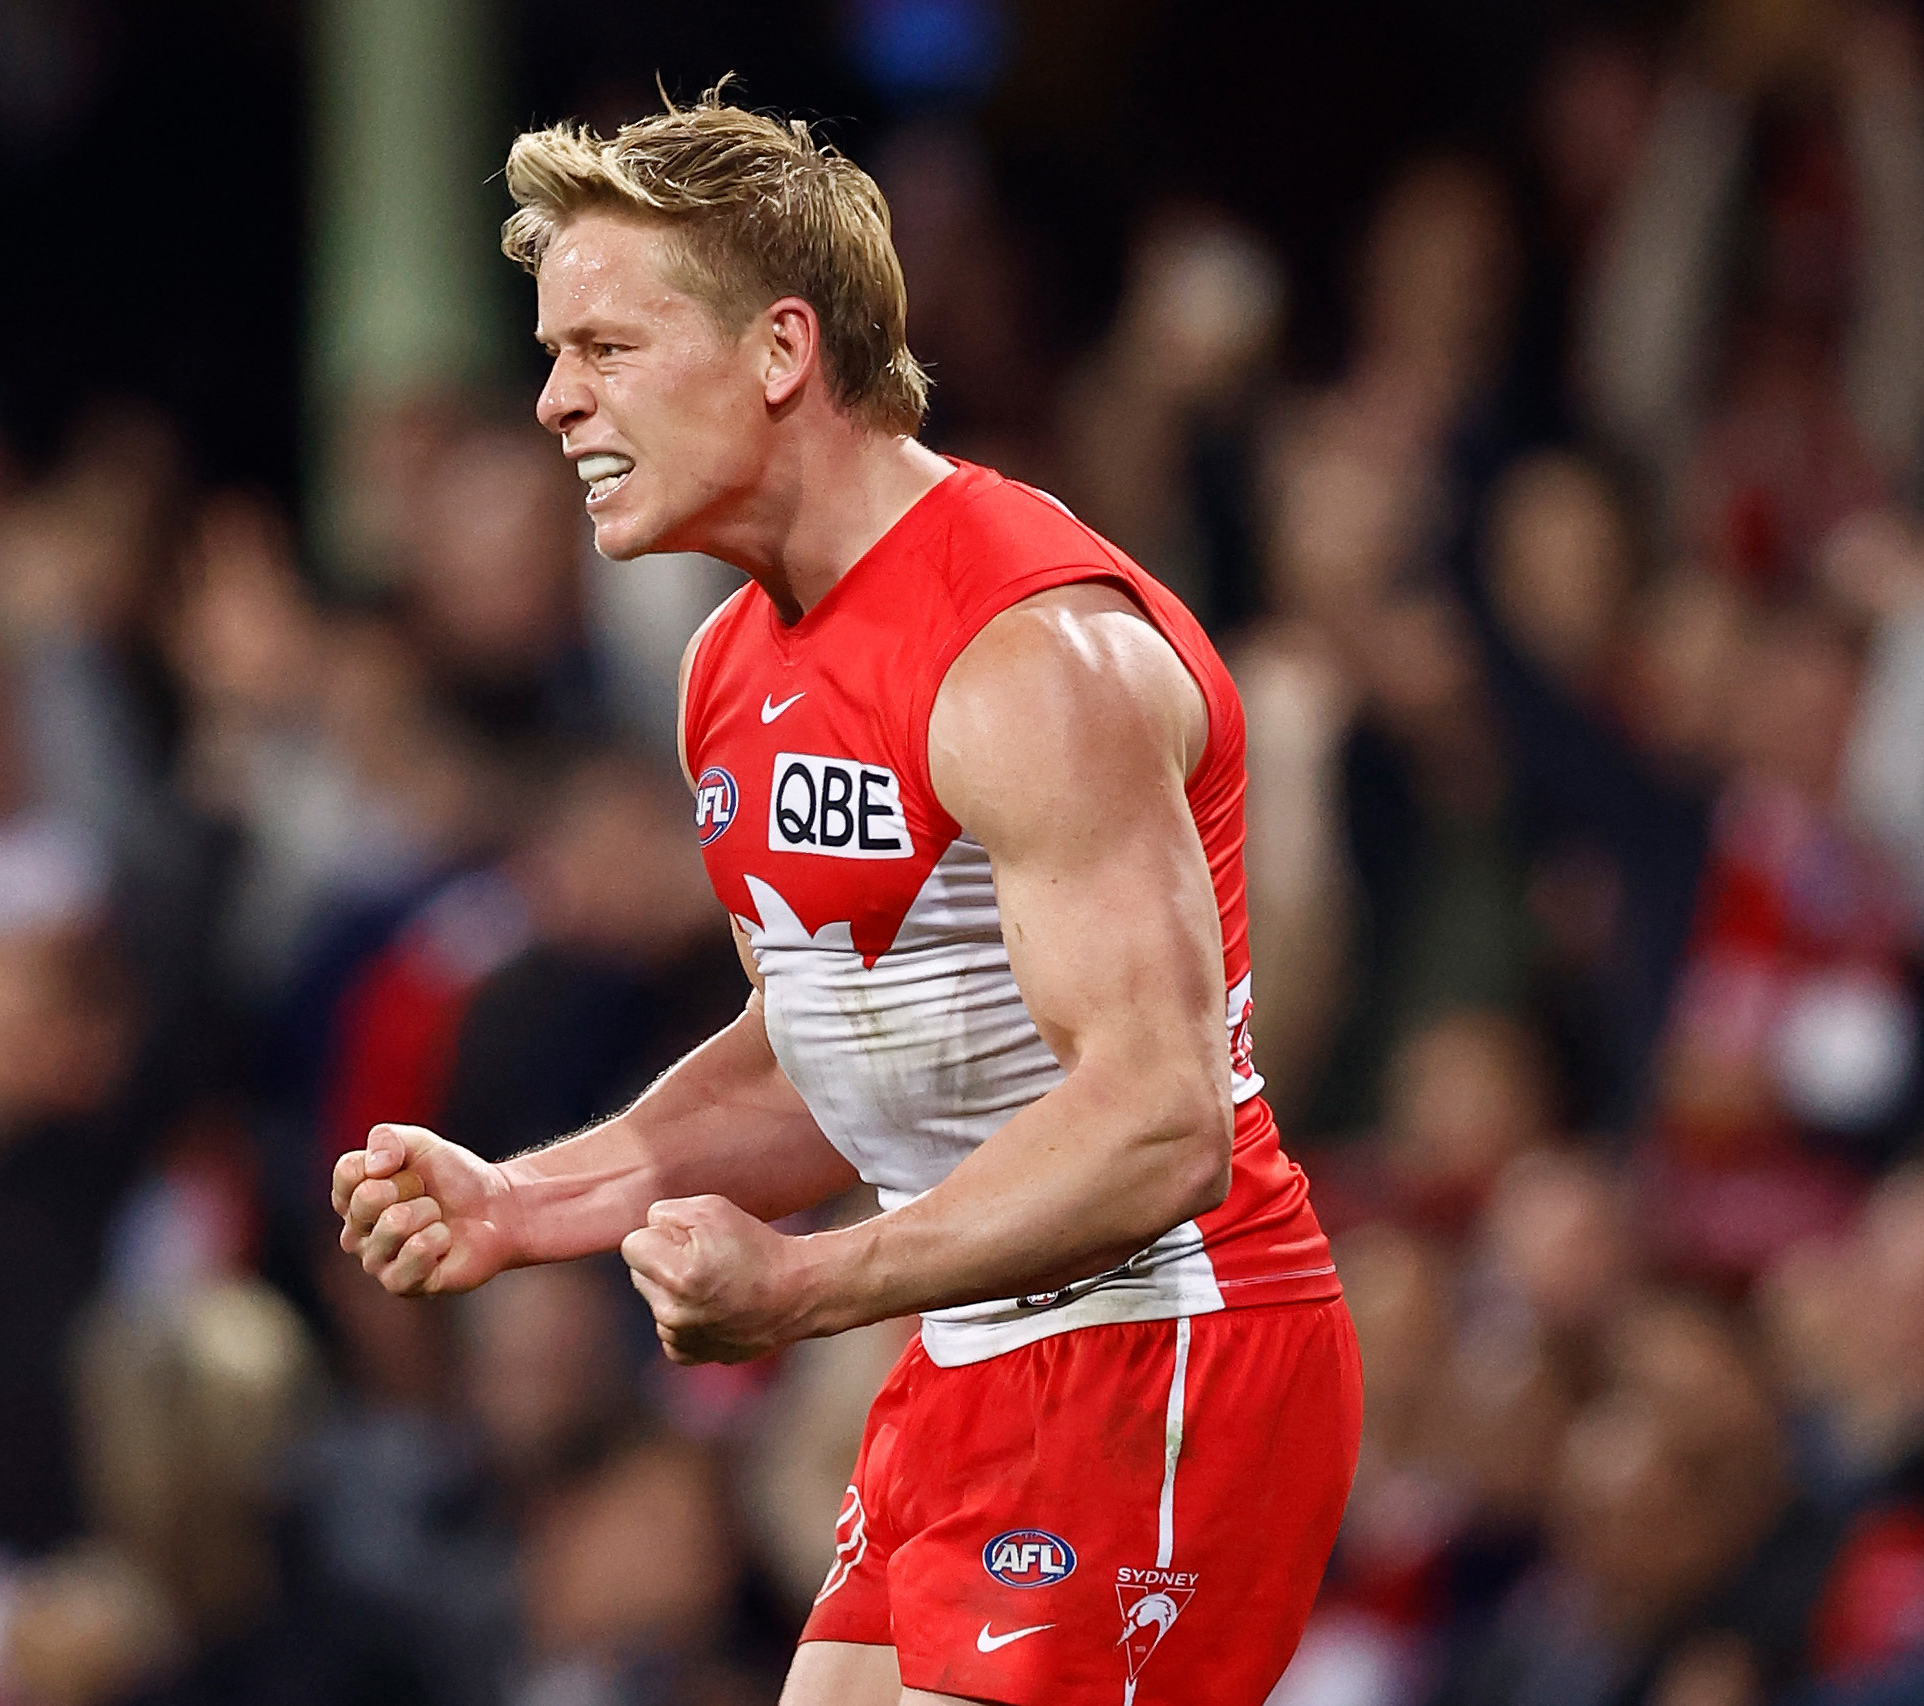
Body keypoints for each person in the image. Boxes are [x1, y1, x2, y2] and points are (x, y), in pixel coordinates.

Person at [332, 89, 1361, 1706]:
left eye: (603, 348)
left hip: (1167, 1357)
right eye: (552, 352)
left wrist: (809, 1285)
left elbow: (1166, 1123)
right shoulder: (727, 670)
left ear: (780, 351)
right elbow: (832, 1055)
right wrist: (528, 1204)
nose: (550, 401)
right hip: (967, 1356)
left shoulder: (1030, 656)